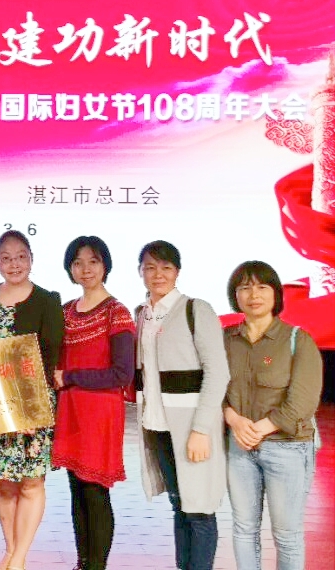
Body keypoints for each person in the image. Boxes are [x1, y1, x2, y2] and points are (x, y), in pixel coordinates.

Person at [133, 240, 229, 570]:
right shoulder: (142, 314)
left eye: (166, 267)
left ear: (177, 272)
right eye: (150, 267)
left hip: (192, 429)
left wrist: (201, 430)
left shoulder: (195, 310)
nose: (157, 274)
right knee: (179, 505)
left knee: (200, 511)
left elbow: (218, 373)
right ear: (140, 272)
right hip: (157, 427)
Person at [223, 261, 322, 570]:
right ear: (235, 295)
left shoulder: (297, 340)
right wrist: (234, 420)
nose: (254, 295)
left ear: (276, 294)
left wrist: (260, 428)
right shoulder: (225, 339)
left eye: (262, 287)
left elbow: (303, 402)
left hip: (288, 448)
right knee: (244, 529)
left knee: (287, 535)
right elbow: (213, 390)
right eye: (245, 287)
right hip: (239, 448)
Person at [0, 230, 64, 570]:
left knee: (31, 482)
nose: (14, 264)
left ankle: (20, 556)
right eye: (6, 258)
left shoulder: (47, 300)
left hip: (31, 407)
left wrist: (27, 411)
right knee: (4, 482)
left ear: (31, 259)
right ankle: (10, 550)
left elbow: (48, 358)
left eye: (21, 257)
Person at [51, 236, 135, 570]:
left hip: (99, 413)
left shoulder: (117, 312)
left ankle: (96, 565)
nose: (85, 269)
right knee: (77, 490)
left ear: (105, 266)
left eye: (93, 261)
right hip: (70, 411)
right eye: (78, 262)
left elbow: (122, 374)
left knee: (95, 492)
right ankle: (82, 562)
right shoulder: (65, 312)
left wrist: (71, 376)